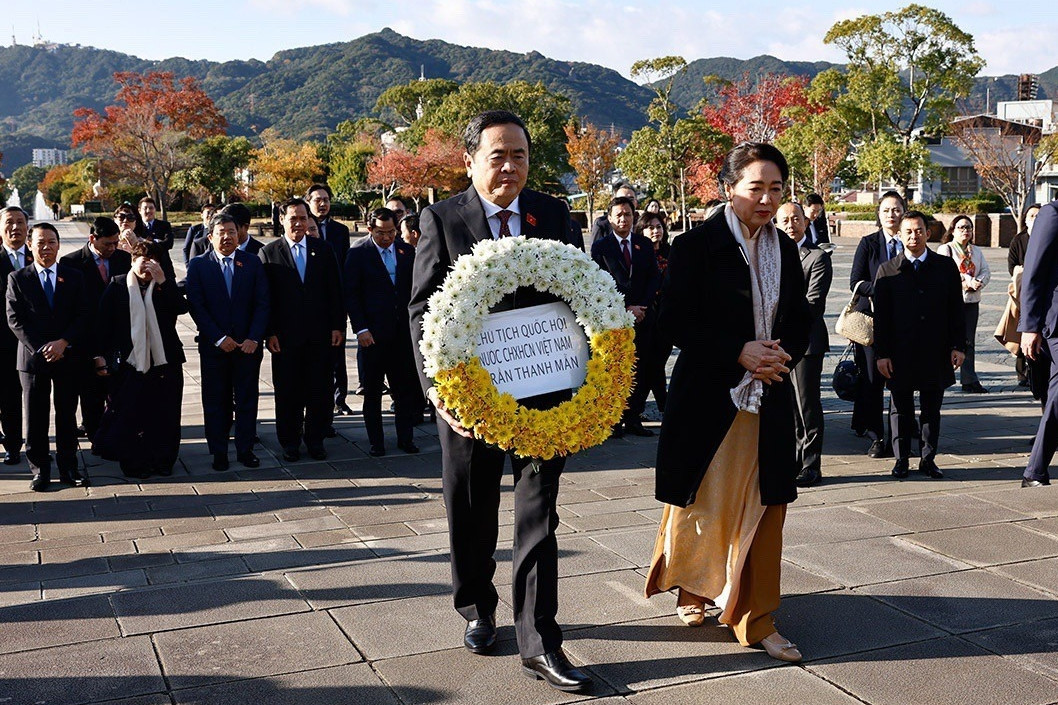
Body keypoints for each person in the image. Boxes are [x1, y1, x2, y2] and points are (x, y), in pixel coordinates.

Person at [408, 110, 592, 692]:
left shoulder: (554, 214)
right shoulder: (442, 219)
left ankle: (540, 639)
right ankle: (476, 603)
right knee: (471, 506)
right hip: (471, 397)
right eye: (497, 155)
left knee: (538, 513)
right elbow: (421, 312)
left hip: (545, 388)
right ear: (470, 161)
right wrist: (441, 396)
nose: (509, 166)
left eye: (519, 155)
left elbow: (580, 292)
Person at [645, 142, 811, 664]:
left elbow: (802, 314)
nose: (766, 198)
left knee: (766, 506)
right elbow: (672, 319)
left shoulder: (783, 248)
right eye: (755, 187)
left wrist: (778, 353)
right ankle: (693, 586)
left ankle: (756, 616)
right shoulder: (696, 246)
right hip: (711, 398)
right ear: (728, 189)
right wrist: (737, 350)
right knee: (703, 502)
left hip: (769, 394)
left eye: (776, 188)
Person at [874, 211, 966, 479]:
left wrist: (958, 346)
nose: (914, 236)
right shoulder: (888, 270)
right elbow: (881, 318)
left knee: (931, 409)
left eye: (919, 230)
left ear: (928, 232)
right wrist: (882, 354)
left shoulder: (945, 267)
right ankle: (901, 459)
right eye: (908, 232)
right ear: (900, 235)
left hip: (935, 350)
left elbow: (956, 310)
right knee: (900, 409)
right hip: (899, 352)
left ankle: (928, 458)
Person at [6, 223, 90, 491]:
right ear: (30, 246)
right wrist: (43, 347)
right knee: (36, 417)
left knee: (67, 415)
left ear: (58, 244)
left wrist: (63, 343)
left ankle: (68, 467)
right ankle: (40, 469)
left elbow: (84, 314)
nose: (46, 247)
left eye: (51, 241)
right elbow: (15, 319)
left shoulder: (74, 277)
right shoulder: (18, 278)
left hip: (68, 356)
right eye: (40, 242)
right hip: (33, 360)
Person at [260, 198, 344, 462]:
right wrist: (269, 332)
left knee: (320, 390)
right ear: (282, 220)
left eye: (302, 218)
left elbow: (335, 292)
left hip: (320, 335)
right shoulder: (269, 253)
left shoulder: (324, 249)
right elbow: (266, 298)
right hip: (285, 338)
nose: (298, 223)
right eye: (292, 218)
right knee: (288, 393)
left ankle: (315, 440)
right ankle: (290, 442)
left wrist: (338, 326)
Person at [94, 242, 187, 478]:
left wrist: (164, 283)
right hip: (130, 361)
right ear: (132, 261)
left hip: (164, 359)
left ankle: (164, 460)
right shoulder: (117, 285)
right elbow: (102, 325)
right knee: (133, 413)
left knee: (165, 413)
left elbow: (181, 307)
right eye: (143, 260)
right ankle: (134, 461)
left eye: (153, 261)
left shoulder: (162, 286)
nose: (148, 266)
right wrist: (99, 357)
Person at [186, 212, 270, 471]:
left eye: (231, 232)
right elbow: (197, 306)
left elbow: (263, 303)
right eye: (221, 233)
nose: (227, 237)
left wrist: (254, 338)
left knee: (246, 400)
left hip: (247, 348)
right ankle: (219, 452)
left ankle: (245, 450)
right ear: (210, 237)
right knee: (216, 401)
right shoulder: (199, 265)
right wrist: (219, 338)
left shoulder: (252, 262)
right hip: (215, 348)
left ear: (239, 234)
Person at [344, 207, 419, 456]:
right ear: (369, 230)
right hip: (372, 336)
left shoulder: (406, 252)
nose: (387, 238)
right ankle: (376, 442)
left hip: (401, 335)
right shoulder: (358, 254)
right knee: (373, 392)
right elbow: (351, 295)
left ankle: (406, 438)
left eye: (391, 232)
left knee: (404, 389)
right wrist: (361, 329)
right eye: (380, 233)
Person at [592, 195, 660, 437]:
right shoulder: (601, 248)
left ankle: (634, 418)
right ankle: (614, 421)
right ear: (609, 218)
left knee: (641, 370)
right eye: (618, 214)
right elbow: (599, 283)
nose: (623, 218)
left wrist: (641, 306)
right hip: (615, 319)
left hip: (643, 317)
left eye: (628, 214)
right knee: (616, 369)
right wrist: (625, 308)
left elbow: (654, 277)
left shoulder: (643, 244)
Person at [59, 217, 132, 442]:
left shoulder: (123, 259)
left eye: (115, 243)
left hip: (118, 337)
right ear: (92, 239)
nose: (112, 248)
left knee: (120, 393)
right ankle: (96, 438)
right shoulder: (71, 263)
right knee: (90, 394)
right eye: (107, 244)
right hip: (86, 340)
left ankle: (117, 435)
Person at [777, 202, 832, 487]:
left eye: (795, 219)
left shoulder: (817, 258)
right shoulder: (771, 255)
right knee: (788, 406)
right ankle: (794, 460)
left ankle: (811, 464)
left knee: (807, 404)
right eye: (784, 220)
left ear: (806, 222)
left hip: (806, 343)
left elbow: (814, 303)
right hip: (777, 344)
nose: (790, 224)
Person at [849, 191, 906, 457]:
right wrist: (881, 290)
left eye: (896, 210)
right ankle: (875, 436)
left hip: (903, 324)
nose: (891, 215)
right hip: (871, 323)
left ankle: (901, 432)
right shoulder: (868, 243)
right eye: (886, 210)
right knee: (872, 380)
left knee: (901, 378)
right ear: (879, 214)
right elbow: (856, 282)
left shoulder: (911, 240)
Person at [1019, 198, 1058, 487]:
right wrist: (1029, 327)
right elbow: (1033, 272)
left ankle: (1035, 470)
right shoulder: (1052, 214)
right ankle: (1035, 469)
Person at [938, 215, 991, 394]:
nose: (965, 231)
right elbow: (945, 272)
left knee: (968, 341)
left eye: (968, 227)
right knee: (945, 340)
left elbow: (985, 270)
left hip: (971, 302)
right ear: (952, 230)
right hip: (950, 303)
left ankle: (969, 380)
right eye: (961, 227)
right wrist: (966, 281)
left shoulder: (976, 251)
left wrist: (979, 282)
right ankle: (941, 376)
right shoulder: (946, 249)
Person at [0, 206, 31, 466]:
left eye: (20, 222)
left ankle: (37, 445)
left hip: (36, 343)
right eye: (9, 222)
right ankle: (12, 445)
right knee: (8, 395)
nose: (15, 228)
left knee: (36, 396)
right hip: (3, 343)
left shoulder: (41, 255)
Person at [636, 211, 671, 412]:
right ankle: (662, 406)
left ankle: (657, 406)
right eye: (650, 227)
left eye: (658, 227)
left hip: (666, 314)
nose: (656, 231)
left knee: (658, 362)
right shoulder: (639, 252)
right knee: (649, 365)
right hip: (646, 313)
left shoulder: (671, 251)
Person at [1009, 203, 1041, 388]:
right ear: (1026, 219)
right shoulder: (1019, 240)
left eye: (1039, 215)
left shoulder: (1049, 237)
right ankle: (1022, 373)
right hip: (1021, 291)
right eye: (1032, 215)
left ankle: (1036, 372)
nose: (1035, 219)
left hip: (1041, 293)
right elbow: (1011, 264)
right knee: (1021, 330)